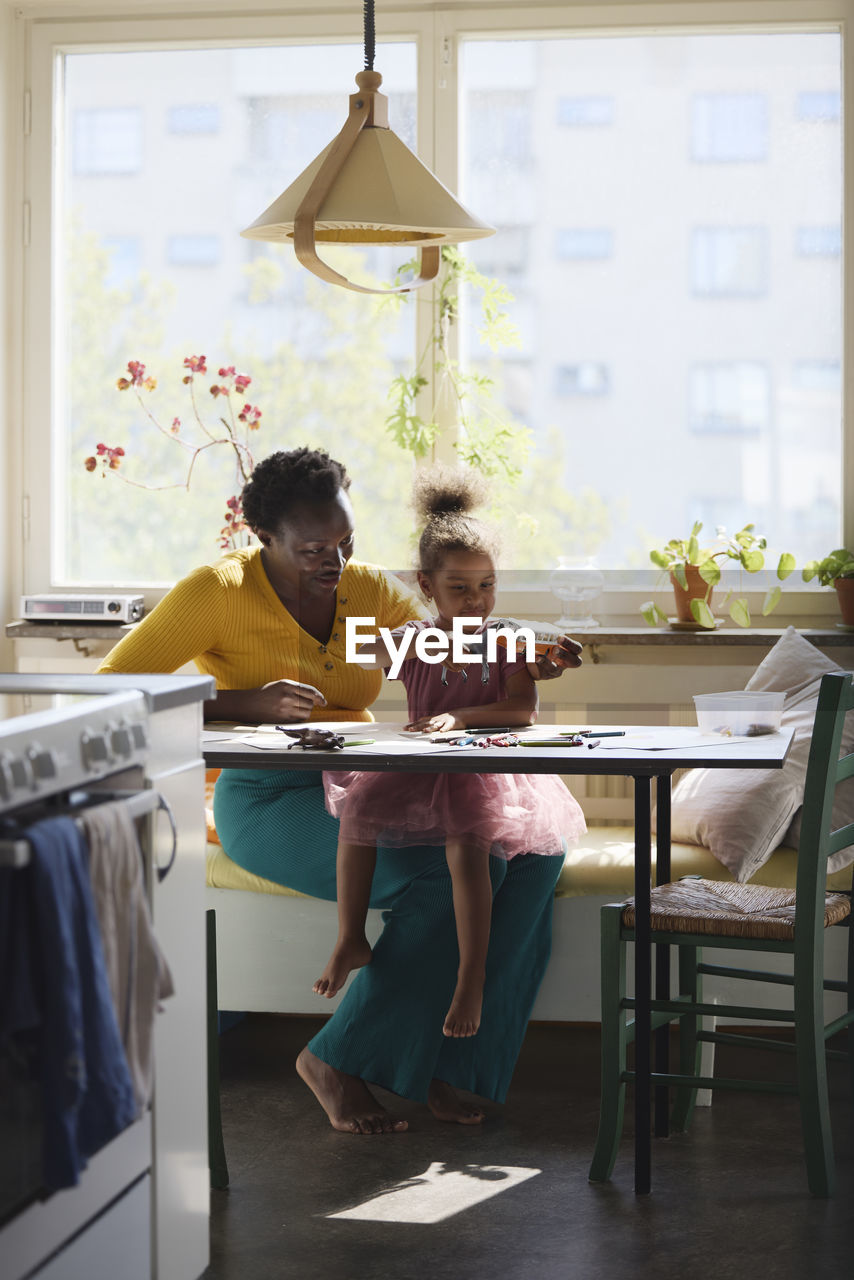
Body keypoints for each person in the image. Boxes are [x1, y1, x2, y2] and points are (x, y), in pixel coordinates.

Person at [98, 447, 583, 1134]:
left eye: (346, 543)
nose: (334, 563)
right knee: (455, 875)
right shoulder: (220, 592)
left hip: (370, 782)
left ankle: (450, 1067)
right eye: (314, 549)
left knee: (537, 854)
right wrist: (240, 702)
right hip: (272, 798)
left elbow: (448, 643)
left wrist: (528, 657)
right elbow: (110, 689)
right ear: (262, 537)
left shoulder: (365, 593)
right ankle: (336, 1060)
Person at [315, 466, 586, 1042]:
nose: (476, 600)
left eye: (486, 585)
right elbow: (337, 646)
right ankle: (350, 937)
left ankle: (470, 977)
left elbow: (521, 710)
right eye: (459, 588)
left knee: (468, 849)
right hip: (421, 766)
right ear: (425, 585)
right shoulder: (413, 640)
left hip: (486, 767)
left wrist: (476, 706)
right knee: (357, 813)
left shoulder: (506, 639)